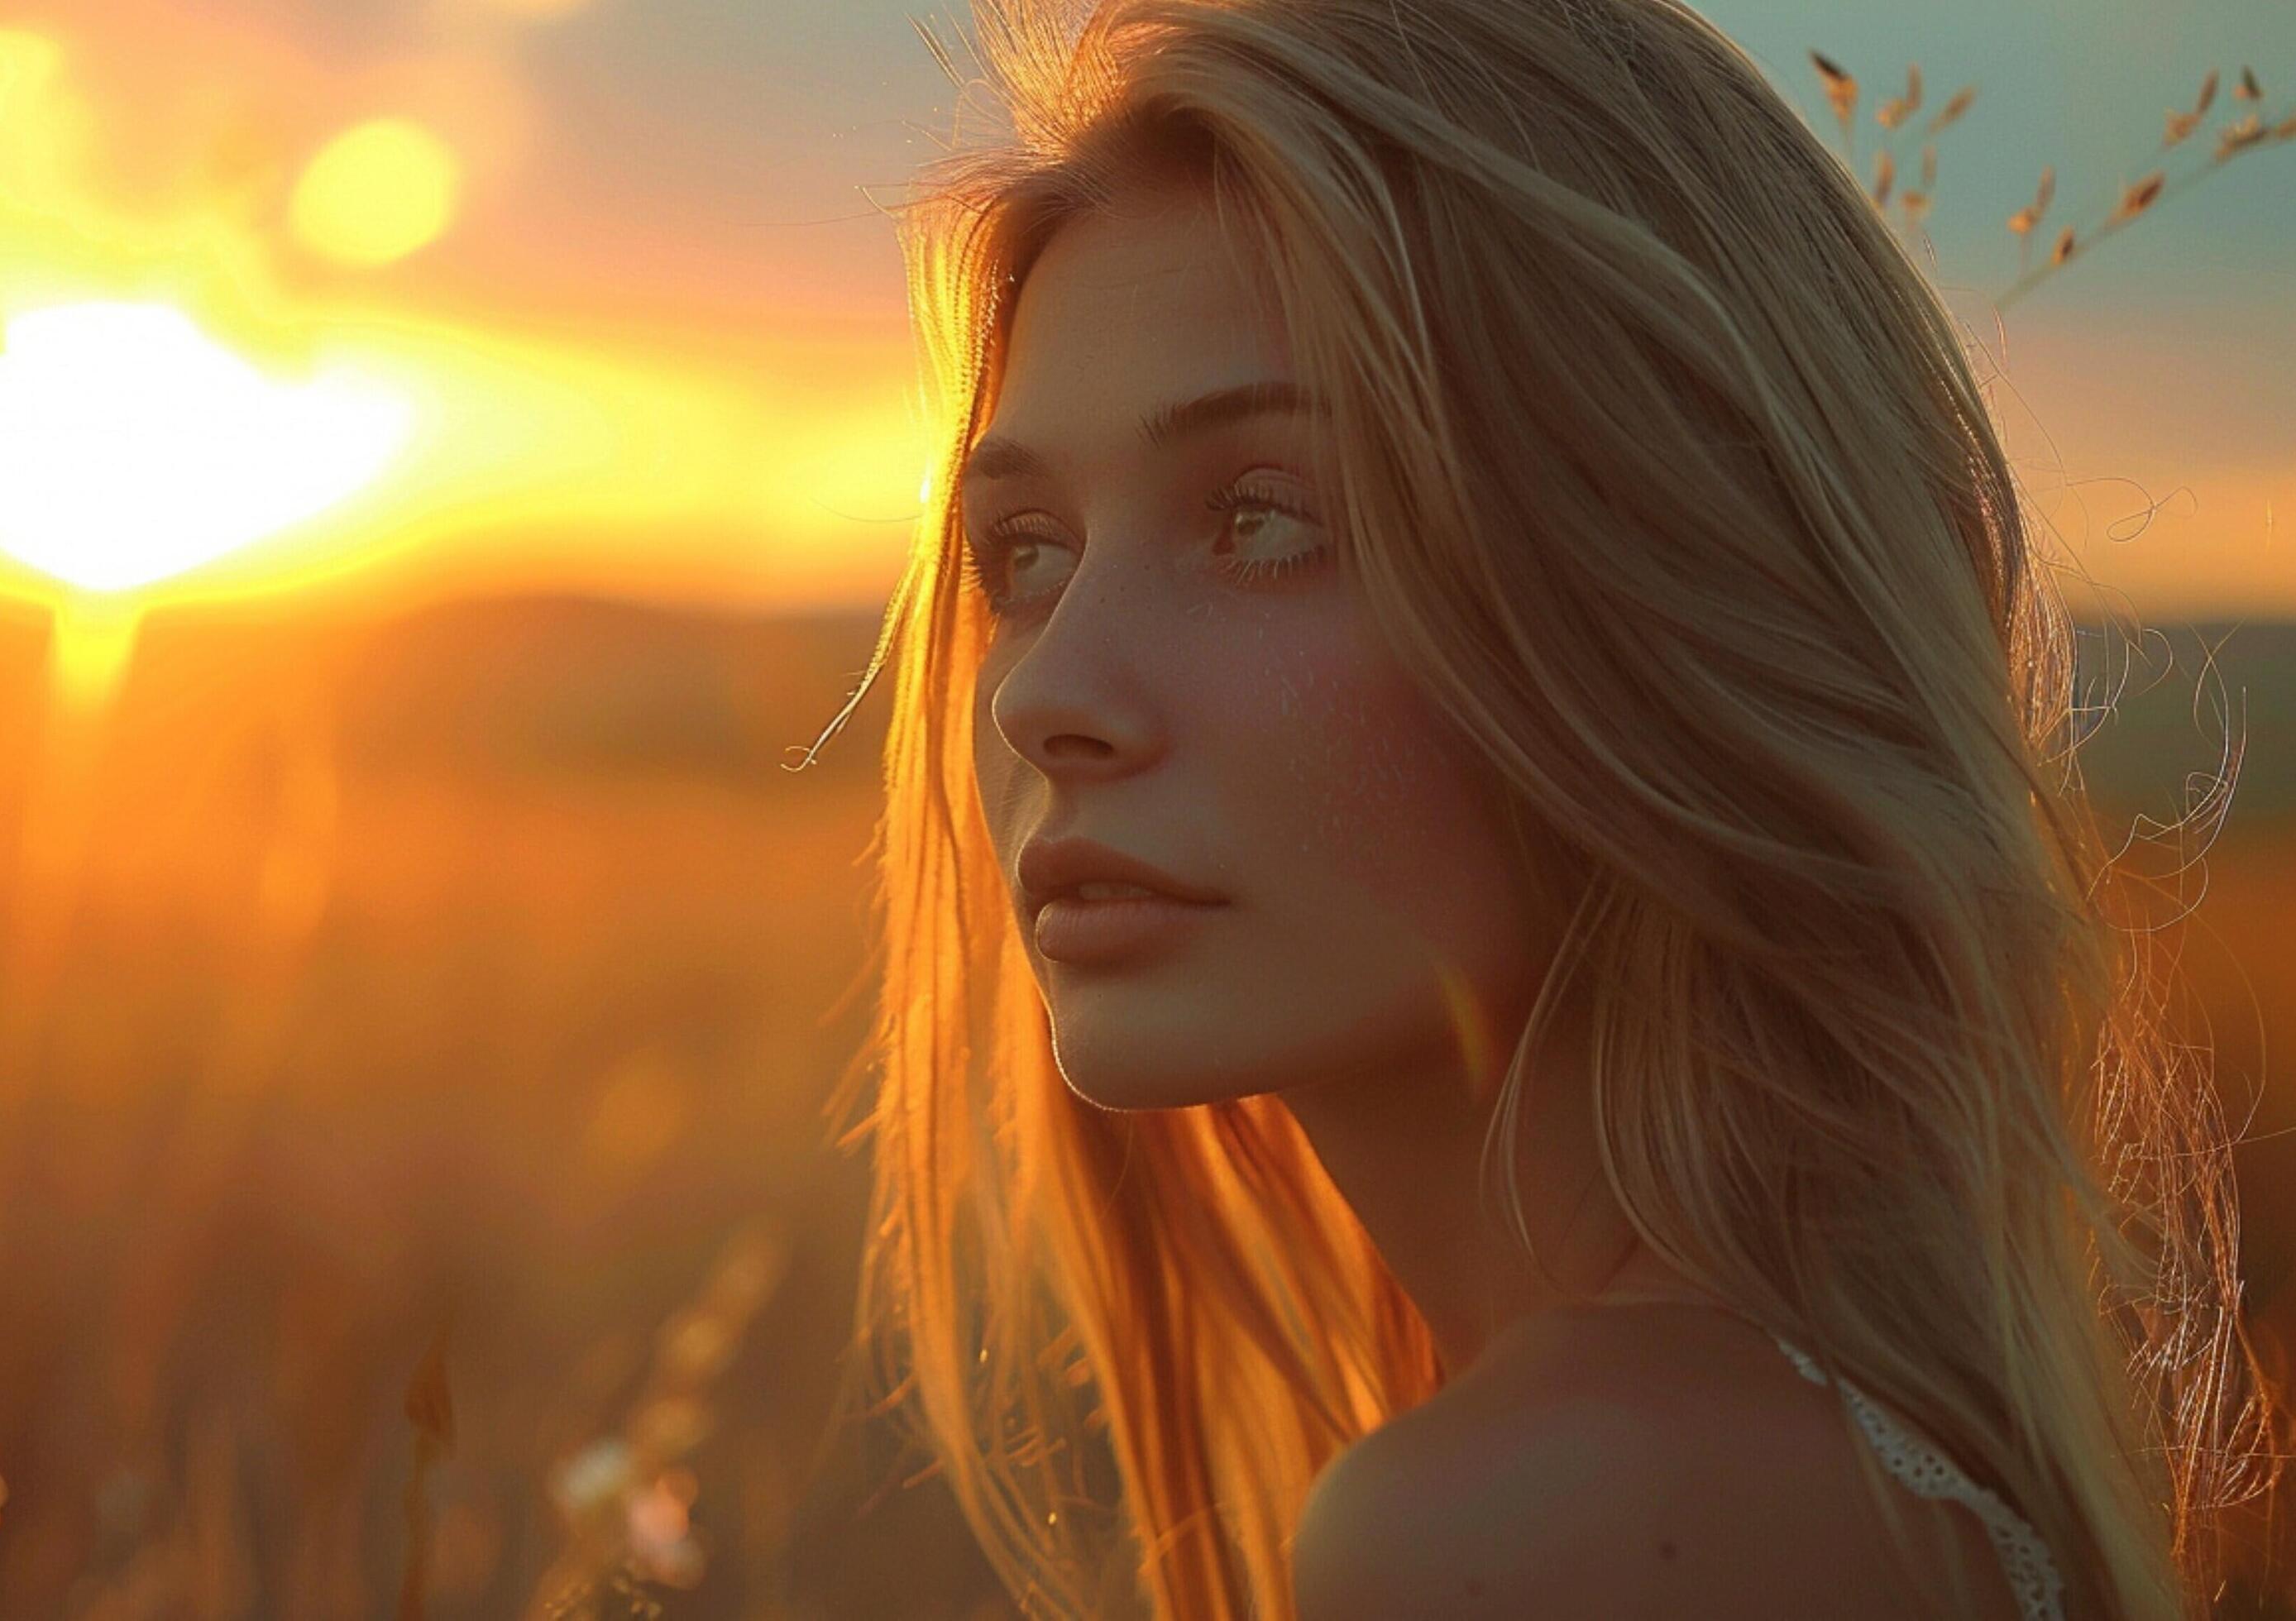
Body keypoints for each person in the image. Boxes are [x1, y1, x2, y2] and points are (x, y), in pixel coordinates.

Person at [796, 0, 2287, 1614]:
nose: (1042, 690)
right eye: (1025, 552)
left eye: (1262, 518)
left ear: (1662, 592)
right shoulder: (1810, 1451)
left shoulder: (1547, 1521)